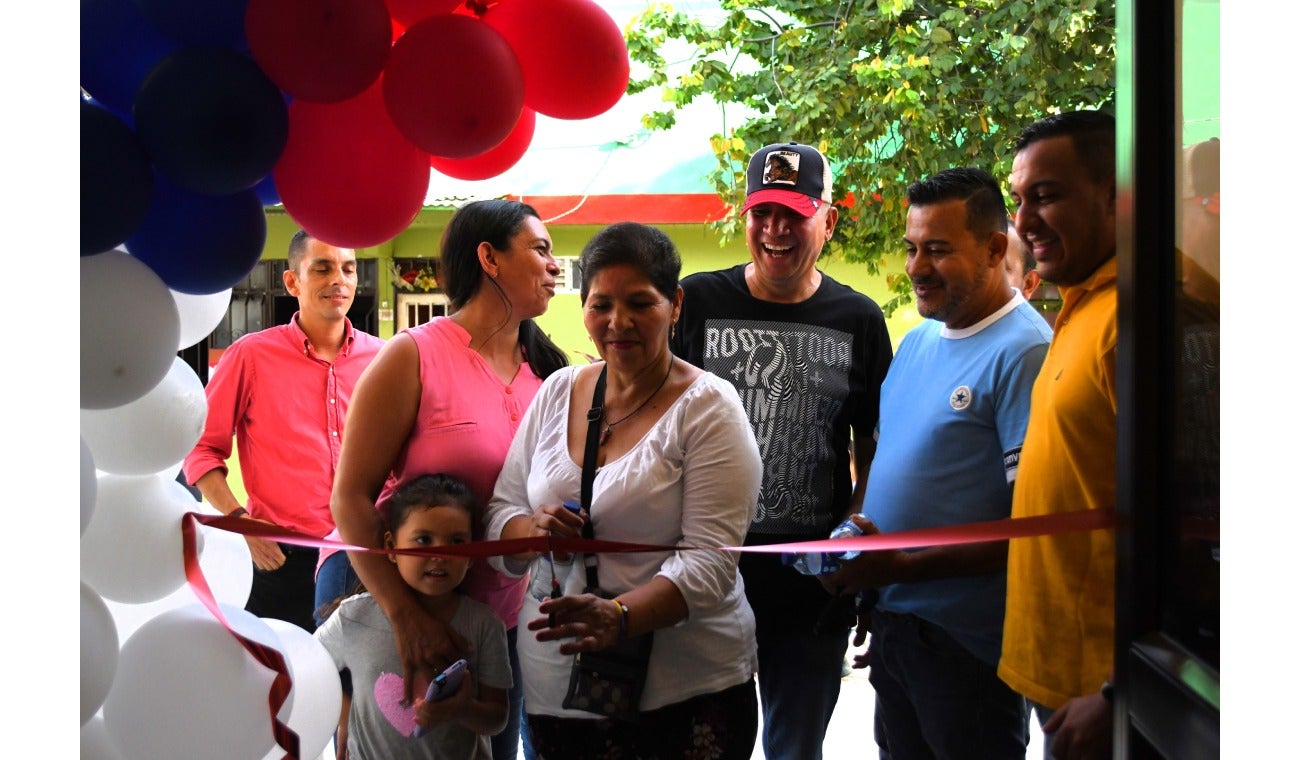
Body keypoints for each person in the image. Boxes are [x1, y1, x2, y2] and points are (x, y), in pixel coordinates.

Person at [483, 221, 763, 757]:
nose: (618, 322)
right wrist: (533, 529)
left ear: (675, 303)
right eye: (600, 304)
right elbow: (501, 510)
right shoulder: (559, 392)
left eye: (639, 302)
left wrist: (622, 617)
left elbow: (710, 563)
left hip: (685, 684)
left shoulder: (709, 409)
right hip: (558, 685)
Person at [670, 141, 894, 759]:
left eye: (793, 214)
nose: (775, 231)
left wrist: (852, 541)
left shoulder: (859, 318)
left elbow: (873, 448)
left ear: (827, 219)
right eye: (761, 213)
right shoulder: (697, 302)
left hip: (808, 593)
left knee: (795, 750)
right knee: (705, 746)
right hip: (704, 581)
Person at [824, 167, 1051, 758]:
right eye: (912, 248)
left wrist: (898, 566)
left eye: (939, 250)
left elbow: (1033, 533)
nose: (918, 267)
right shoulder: (920, 340)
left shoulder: (1026, 351)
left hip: (970, 649)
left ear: (995, 248)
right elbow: (889, 466)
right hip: (895, 628)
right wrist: (861, 550)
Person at [330, 199, 568, 760]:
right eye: (540, 249)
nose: (555, 265)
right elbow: (351, 498)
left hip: (512, 622)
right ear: (489, 258)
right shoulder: (412, 357)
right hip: (416, 615)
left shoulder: (554, 375)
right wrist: (405, 615)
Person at [182, 229, 383, 632]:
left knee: (358, 689)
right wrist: (242, 522)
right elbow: (201, 450)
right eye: (322, 268)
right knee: (280, 682)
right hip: (281, 557)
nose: (338, 280)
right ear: (293, 281)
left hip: (364, 556)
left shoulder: (383, 358)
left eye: (347, 268)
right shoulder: (251, 356)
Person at [1000, 109, 1118, 760]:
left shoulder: (1148, 317)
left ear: (1114, 194)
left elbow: (1209, 530)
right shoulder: (1081, 308)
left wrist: (1122, 690)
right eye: (1019, 200)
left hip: (1108, 699)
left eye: (1045, 196)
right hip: (1056, 683)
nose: (1023, 222)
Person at [315, 473, 511, 759]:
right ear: (392, 548)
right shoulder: (353, 616)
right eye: (423, 539)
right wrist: (343, 712)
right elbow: (310, 666)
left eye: (457, 542)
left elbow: (498, 718)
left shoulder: (484, 626)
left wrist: (462, 709)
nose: (440, 554)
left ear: (471, 556)